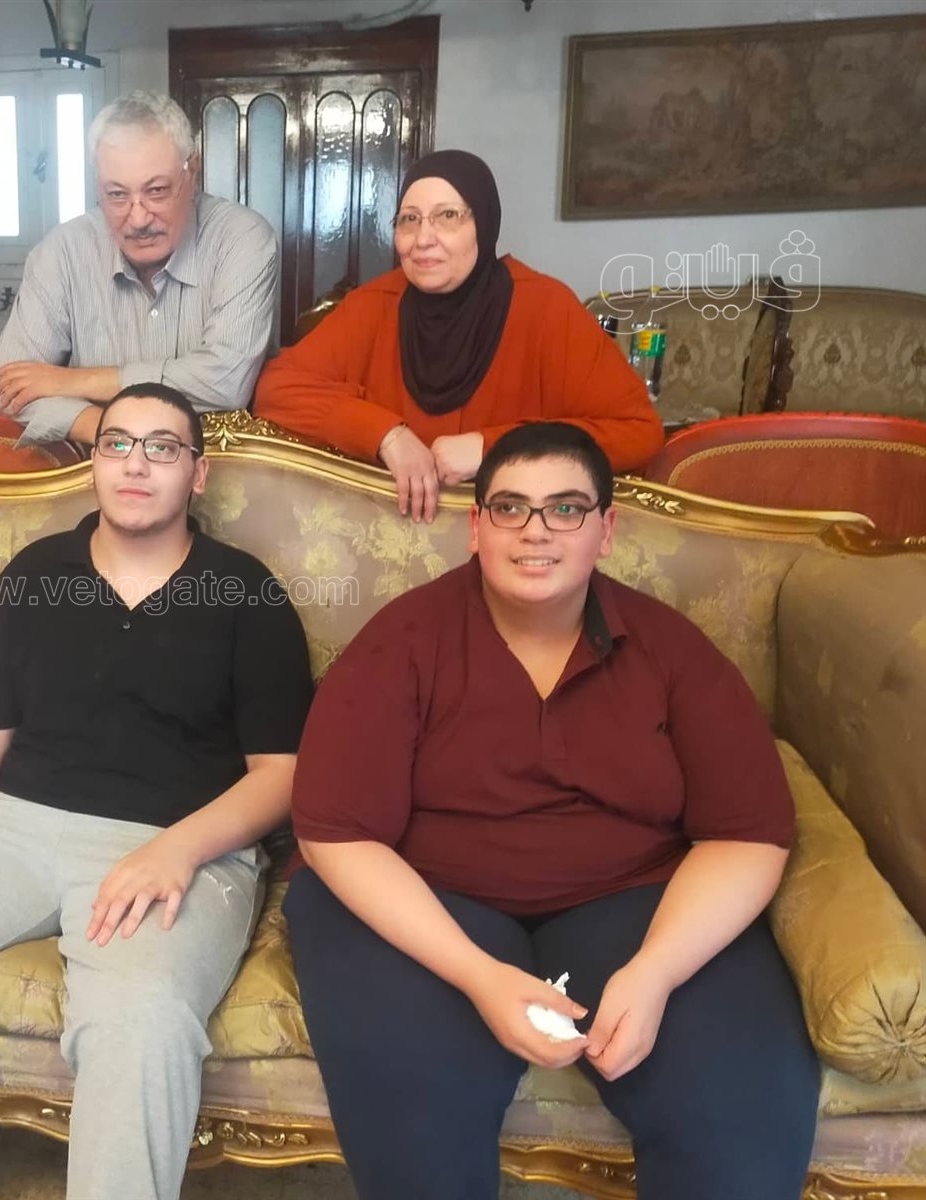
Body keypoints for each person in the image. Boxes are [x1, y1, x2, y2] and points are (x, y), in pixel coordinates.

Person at [282, 422, 819, 1200]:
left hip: (633, 900)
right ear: (476, 527)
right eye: (510, 508)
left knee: (740, 1117)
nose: (536, 531)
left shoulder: (671, 649)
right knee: (417, 1129)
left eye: (566, 508)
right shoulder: (401, 642)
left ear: (607, 530)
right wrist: (477, 975)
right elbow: (337, 832)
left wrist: (657, 971)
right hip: (427, 901)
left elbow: (748, 831)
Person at [0, 383, 314, 1199]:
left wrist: (178, 850)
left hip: (179, 839)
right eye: (117, 443)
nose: (136, 464)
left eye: (162, 447)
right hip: (11, 828)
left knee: (138, 1016)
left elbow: (283, 775)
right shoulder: (35, 575)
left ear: (197, 474)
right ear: (94, 462)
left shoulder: (245, 593)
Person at [254, 150, 664, 522]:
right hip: (396, 540)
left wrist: (494, 448)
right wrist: (386, 435)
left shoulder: (546, 307)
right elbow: (276, 389)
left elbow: (638, 432)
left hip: (517, 540)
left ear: (483, 224)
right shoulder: (374, 305)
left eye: (447, 216)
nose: (423, 238)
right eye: (409, 219)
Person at [0, 91, 280, 446]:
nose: (138, 218)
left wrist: (72, 381)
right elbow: (5, 390)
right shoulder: (62, 251)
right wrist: (114, 434)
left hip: (213, 469)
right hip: (89, 469)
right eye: (117, 195)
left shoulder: (242, 239)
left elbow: (226, 381)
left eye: (156, 191)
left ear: (193, 171)